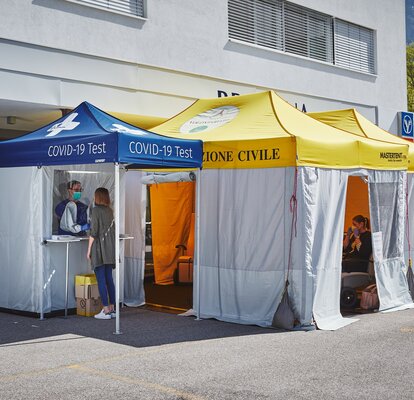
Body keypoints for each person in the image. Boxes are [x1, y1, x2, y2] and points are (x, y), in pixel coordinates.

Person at [87, 187, 116, 320]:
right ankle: (112, 308)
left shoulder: (95, 210)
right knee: (109, 279)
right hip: (110, 248)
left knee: (101, 280)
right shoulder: (110, 210)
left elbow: (94, 232)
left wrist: (88, 251)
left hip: (99, 248)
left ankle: (105, 310)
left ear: (97, 197)